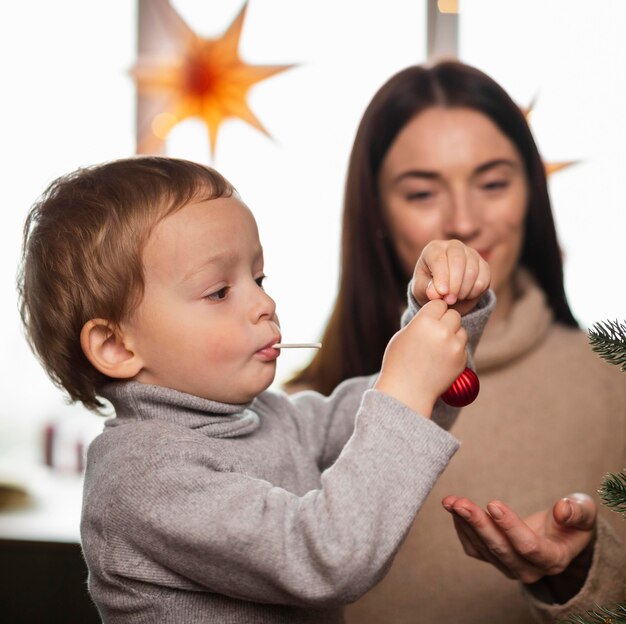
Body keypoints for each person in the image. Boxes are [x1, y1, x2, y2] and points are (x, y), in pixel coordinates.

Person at [17, 155, 494, 623]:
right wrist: (407, 384)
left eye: (259, 277)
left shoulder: (270, 416)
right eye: (219, 292)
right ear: (116, 345)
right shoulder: (140, 478)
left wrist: (444, 314)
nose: (265, 303)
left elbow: (405, 414)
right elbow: (328, 559)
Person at [286, 61, 626, 623]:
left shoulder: (614, 387)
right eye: (422, 192)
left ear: (532, 197)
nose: (464, 220)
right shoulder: (307, 414)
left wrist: (576, 573)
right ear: (375, 214)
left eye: (493, 183)